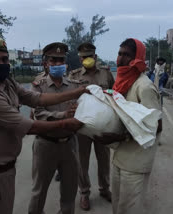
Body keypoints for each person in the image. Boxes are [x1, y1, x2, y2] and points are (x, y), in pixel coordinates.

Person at [0, 39, 87, 214]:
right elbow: (29, 126)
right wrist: (67, 121)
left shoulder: (6, 82)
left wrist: (77, 92)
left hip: (6, 168)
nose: (1, 64)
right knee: (31, 196)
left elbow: (36, 99)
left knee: (69, 192)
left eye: (4, 59)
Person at [94, 38, 162, 214]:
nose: (120, 59)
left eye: (127, 55)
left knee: (129, 209)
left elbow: (156, 126)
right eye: (119, 53)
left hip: (136, 161)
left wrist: (119, 137)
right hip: (120, 156)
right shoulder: (122, 82)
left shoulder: (144, 86)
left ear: (137, 58)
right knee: (118, 206)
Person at [28, 42, 80, 214]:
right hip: (46, 145)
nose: (58, 64)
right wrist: (64, 116)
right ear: (45, 63)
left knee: (70, 192)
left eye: (61, 60)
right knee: (39, 191)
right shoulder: (38, 86)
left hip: (70, 144)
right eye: (53, 60)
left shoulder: (74, 85)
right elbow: (39, 114)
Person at [68, 42, 115, 210]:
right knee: (82, 161)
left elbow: (113, 94)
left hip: (103, 124)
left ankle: (104, 189)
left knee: (104, 159)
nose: (87, 59)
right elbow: (70, 98)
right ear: (80, 59)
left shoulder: (106, 74)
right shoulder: (73, 76)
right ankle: (84, 193)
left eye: (90, 56)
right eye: (83, 57)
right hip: (82, 125)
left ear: (95, 56)